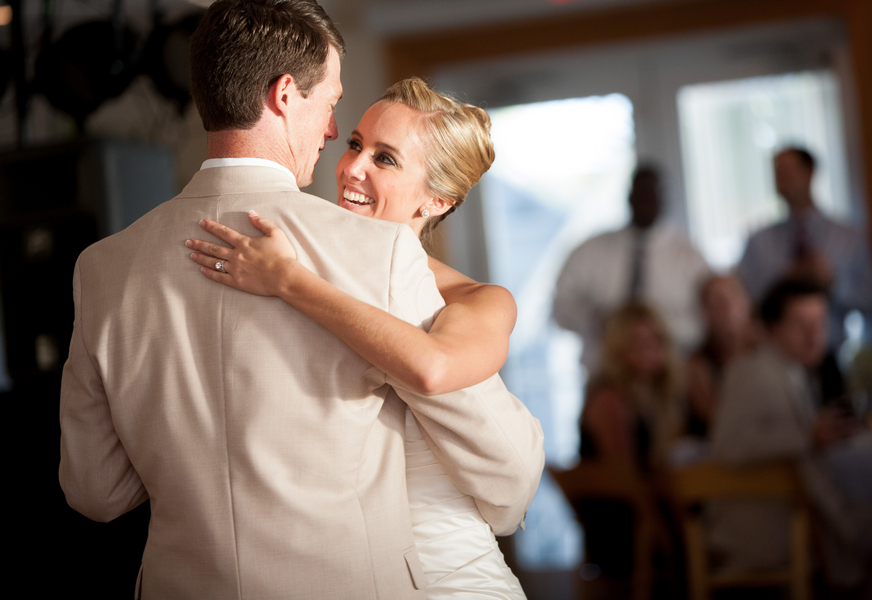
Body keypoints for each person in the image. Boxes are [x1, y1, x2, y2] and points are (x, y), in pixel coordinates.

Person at [58, 2, 543, 599]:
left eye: (383, 156)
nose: (338, 138)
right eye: (334, 105)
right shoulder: (381, 256)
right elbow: (506, 468)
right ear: (286, 94)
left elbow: (94, 490)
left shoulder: (102, 268)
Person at [187, 77, 532, 599]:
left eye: (385, 159)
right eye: (354, 144)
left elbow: (434, 369)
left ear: (438, 199)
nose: (351, 168)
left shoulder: (478, 299)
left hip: (453, 580)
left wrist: (290, 282)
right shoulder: (287, 252)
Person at [709, 277, 872, 597]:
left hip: (799, 516)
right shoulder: (753, 372)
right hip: (774, 530)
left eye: (820, 323)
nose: (815, 336)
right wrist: (807, 435)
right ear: (771, 328)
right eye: (801, 325)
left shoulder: (789, 371)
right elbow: (729, 446)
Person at [553, 166, 710, 376]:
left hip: (673, 380)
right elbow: (559, 307)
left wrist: (657, 329)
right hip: (605, 376)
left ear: (664, 198)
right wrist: (599, 320)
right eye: (640, 192)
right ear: (629, 196)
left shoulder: (689, 257)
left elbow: (706, 321)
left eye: (652, 193)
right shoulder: (590, 251)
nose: (645, 200)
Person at [737, 146, 872, 355]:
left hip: (831, 355)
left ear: (810, 173)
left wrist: (835, 282)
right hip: (774, 358)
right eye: (776, 171)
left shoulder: (848, 238)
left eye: (788, 169)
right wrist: (783, 281)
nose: (781, 177)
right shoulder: (758, 241)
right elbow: (743, 301)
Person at [576, 303, 683, 580]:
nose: (649, 348)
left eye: (655, 339)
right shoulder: (609, 397)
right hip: (621, 526)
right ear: (618, 348)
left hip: (636, 515)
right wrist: (660, 530)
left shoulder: (648, 394)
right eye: (637, 341)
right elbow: (627, 477)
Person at [684, 275, 758, 438]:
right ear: (704, 312)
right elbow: (717, 420)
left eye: (734, 296)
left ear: (748, 302)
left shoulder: (770, 350)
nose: (728, 307)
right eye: (717, 301)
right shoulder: (696, 365)